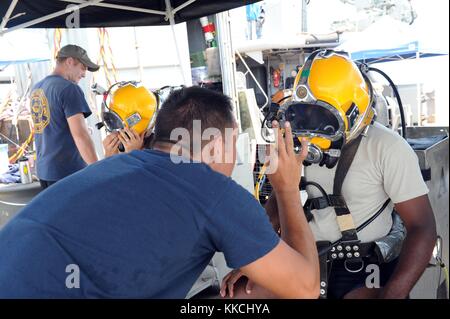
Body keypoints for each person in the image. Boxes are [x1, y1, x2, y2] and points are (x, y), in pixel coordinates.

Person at [0, 86, 319, 298]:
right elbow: (304, 288)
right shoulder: (212, 192)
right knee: (260, 294)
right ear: (218, 144)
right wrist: (287, 189)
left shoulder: (113, 166)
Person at [222, 49, 437, 299]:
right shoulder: (298, 140)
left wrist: (394, 294)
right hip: (306, 260)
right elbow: (278, 200)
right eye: (305, 113)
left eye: (321, 116)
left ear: (352, 114)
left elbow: (423, 227)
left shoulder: (388, 147)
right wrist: (253, 260)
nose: (312, 129)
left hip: (362, 265)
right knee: (235, 297)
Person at [29, 44, 100, 189]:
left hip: (45, 171)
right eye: (83, 67)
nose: (85, 74)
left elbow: (51, 126)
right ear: (70, 61)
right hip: (67, 172)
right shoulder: (69, 88)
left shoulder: (37, 88)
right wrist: (98, 170)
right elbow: (81, 136)